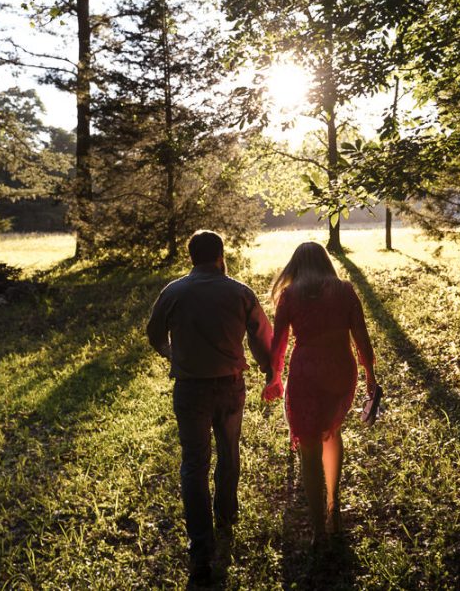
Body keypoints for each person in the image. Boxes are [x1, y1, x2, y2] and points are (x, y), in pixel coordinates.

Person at [146, 230, 273, 586]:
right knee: (229, 452)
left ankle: (201, 547)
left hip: (190, 390)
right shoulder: (240, 292)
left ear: (191, 257)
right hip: (231, 387)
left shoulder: (173, 292)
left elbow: (154, 333)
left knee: (194, 464)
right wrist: (268, 370)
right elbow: (263, 335)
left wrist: (173, 353)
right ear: (220, 255)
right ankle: (227, 515)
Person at [262, 241, 378, 547]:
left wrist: (274, 376)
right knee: (331, 433)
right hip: (340, 367)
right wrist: (370, 374)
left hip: (306, 371)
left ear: (296, 266)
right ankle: (333, 509)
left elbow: (279, 343)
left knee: (309, 445)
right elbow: (361, 335)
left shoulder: (290, 295)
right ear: (326, 263)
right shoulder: (344, 290)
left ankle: (317, 528)